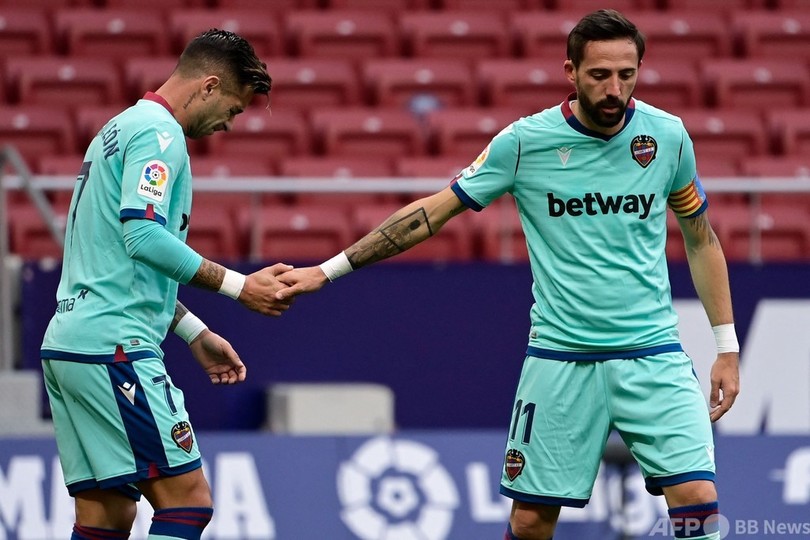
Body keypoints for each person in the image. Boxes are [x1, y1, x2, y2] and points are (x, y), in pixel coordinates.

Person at [275, 9, 740, 540]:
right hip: (561, 357)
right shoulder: (523, 143)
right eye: (599, 75)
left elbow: (701, 238)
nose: (614, 89)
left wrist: (726, 347)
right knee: (531, 522)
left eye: (626, 75)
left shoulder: (668, 137)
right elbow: (431, 213)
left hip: (653, 354)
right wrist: (328, 271)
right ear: (570, 71)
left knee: (697, 499)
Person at [40, 29, 292, 540]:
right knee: (187, 504)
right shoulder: (160, 134)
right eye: (233, 108)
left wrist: (193, 331)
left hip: (70, 344)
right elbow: (142, 236)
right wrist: (240, 286)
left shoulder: (118, 128)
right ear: (209, 85)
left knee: (106, 517)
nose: (229, 125)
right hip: (114, 348)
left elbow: (113, 258)